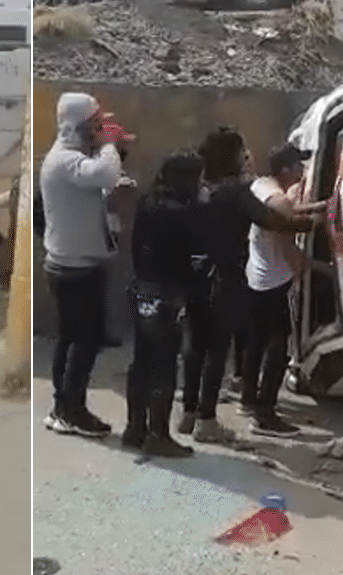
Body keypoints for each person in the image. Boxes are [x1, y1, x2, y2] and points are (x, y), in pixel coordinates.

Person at [178, 127, 323, 442]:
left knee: (194, 347)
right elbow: (272, 220)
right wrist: (313, 223)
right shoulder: (236, 191)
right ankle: (208, 420)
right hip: (225, 277)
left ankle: (188, 413)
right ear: (232, 156)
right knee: (218, 349)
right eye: (242, 150)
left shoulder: (196, 187)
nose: (247, 156)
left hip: (193, 275)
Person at [39, 92, 127, 437]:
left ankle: (63, 407)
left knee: (72, 341)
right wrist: (108, 143)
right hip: (74, 270)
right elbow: (106, 175)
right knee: (83, 343)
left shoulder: (73, 158)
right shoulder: (65, 161)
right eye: (95, 122)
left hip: (74, 265)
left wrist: (108, 143)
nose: (100, 127)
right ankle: (71, 411)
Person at [243, 143, 332, 436]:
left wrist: (318, 207)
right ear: (285, 170)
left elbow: (285, 213)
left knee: (255, 344)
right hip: (272, 283)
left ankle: (249, 400)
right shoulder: (276, 197)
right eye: (298, 166)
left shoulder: (261, 186)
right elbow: (287, 223)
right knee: (277, 350)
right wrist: (326, 267)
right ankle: (265, 415)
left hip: (257, 279)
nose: (303, 171)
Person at [122, 150, 207, 458]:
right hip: (166, 296)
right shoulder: (182, 213)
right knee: (164, 367)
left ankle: (135, 428)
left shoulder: (148, 203)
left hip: (141, 290)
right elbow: (195, 254)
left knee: (142, 361)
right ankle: (158, 434)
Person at [103, 148, 137, 347]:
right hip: (111, 240)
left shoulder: (118, 183)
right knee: (109, 288)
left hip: (107, 240)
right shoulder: (121, 183)